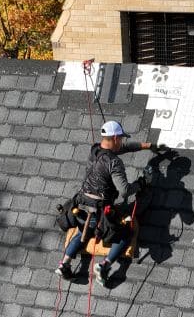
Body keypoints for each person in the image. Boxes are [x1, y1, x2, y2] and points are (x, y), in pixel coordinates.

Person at [59, 120, 159, 283]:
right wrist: (141, 183)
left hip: (79, 204)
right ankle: (104, 266)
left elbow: (122, 149)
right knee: (125, 234)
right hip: (98, 211)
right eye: (120, 138)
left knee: (81, 232)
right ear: (114, 138)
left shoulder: (96, 149)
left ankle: (64, 264)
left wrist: (146, 145)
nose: (122, 141)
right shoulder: (114, 162)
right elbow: (125, 190)